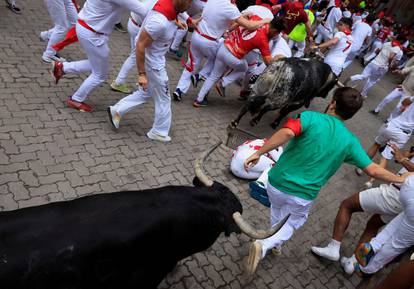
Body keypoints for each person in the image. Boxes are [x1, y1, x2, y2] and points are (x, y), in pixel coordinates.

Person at [242, 87, 411, 275]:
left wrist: (258, 153)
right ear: (352, 114)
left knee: (278, 209)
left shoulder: (310, 117)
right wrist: (399, 178)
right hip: (303, 194)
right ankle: (264, 245)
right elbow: (372, 169)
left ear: (333, 103)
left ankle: (275, 242)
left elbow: (288, 132)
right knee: (294, 221)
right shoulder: (350, 141)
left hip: (275, 183)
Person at [311, 145, 414, 275]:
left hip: (395, 194)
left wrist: (403, 159)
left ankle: (334, 247)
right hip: (403, 203)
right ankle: (353, 263)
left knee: (347, 205)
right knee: (373, 225)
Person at [107, 0, 192, 142]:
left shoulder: (168, 9)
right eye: (189, 1)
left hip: (153, 61)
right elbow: (140, 45)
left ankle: (117, 110)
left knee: (146, 93)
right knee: (164, 98)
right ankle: (159, 132)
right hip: (154, 66)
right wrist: (142, 75)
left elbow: (167, 18)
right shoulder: (159, 22)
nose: (190, 5)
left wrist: (176, 23)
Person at [50, 0, 146, 112]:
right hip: (93, 34)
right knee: (100, 75)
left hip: (86, 28)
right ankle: (76, 99)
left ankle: (62, 67)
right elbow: (143, 10)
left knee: (96, 63)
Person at [172, 0, 271, 102]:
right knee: (218, 58)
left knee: (191, 65)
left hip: (196, 36)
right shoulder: (231, 8)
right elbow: (250, 26)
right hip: (210, 42)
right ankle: (201, 76)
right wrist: (265, 21)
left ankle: (179, 90)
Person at [193, 15, 285, 107]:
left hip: (223, 47)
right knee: (244, 68)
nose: (275, 36)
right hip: (232, 56)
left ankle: (198, 100)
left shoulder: (257, 19)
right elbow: (268, 63)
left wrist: (231, 29)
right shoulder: (263, 40)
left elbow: (248, 14)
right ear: (275, 31)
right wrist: (278, 58)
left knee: (214, 75)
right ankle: (223, 82)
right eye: (277, 34)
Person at [354, 175, 414, 276]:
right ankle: (366, 270)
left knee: (399, 222)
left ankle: (373, 245)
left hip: (409, 186)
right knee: (397, 244)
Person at [357, 97, 414, 189]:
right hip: (404, 135)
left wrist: (407, 107)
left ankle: (361, 168)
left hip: (393, 126)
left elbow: (405, 102)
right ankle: (370, 182)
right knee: (385, 158)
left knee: (376, 144)